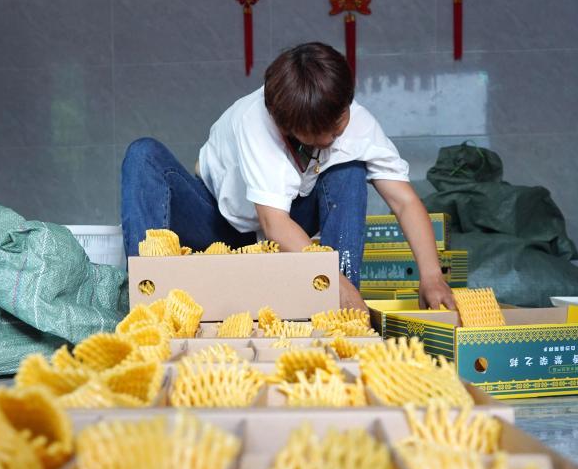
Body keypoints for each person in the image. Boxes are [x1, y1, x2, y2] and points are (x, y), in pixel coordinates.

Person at [121, 42, 455, 311]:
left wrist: (431, 276)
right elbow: (274, 224)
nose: (333, 136)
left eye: (339, 123)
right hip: (218, 224)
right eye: (320, 133)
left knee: (350, 168)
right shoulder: (255, 121)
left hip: (290, 224)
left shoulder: (354, 121)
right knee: (143, 154)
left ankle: (343, 306)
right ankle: (147, 298)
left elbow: (404, 201)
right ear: (286, 125)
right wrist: (333, 281)